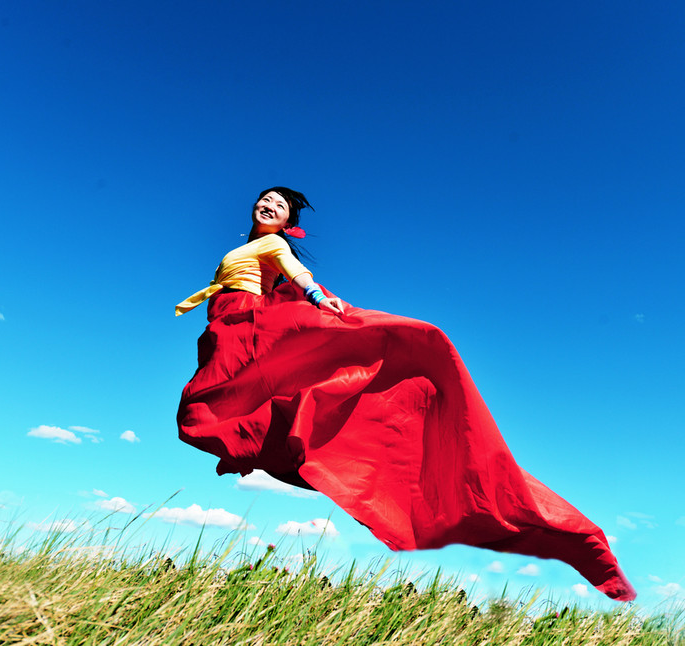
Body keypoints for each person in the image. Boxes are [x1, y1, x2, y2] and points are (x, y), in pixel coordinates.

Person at [175, 187, 636, 602]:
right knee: (221, 401)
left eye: (278, 205)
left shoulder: (273, 245)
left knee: (212, 408)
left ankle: (272, 436)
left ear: (287, 223)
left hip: (245, 325)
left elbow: (295, 273)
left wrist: (317, 298)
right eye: (265, 199)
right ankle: (262, 434)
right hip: (226, 324)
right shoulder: (247, 246)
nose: (268, 205)